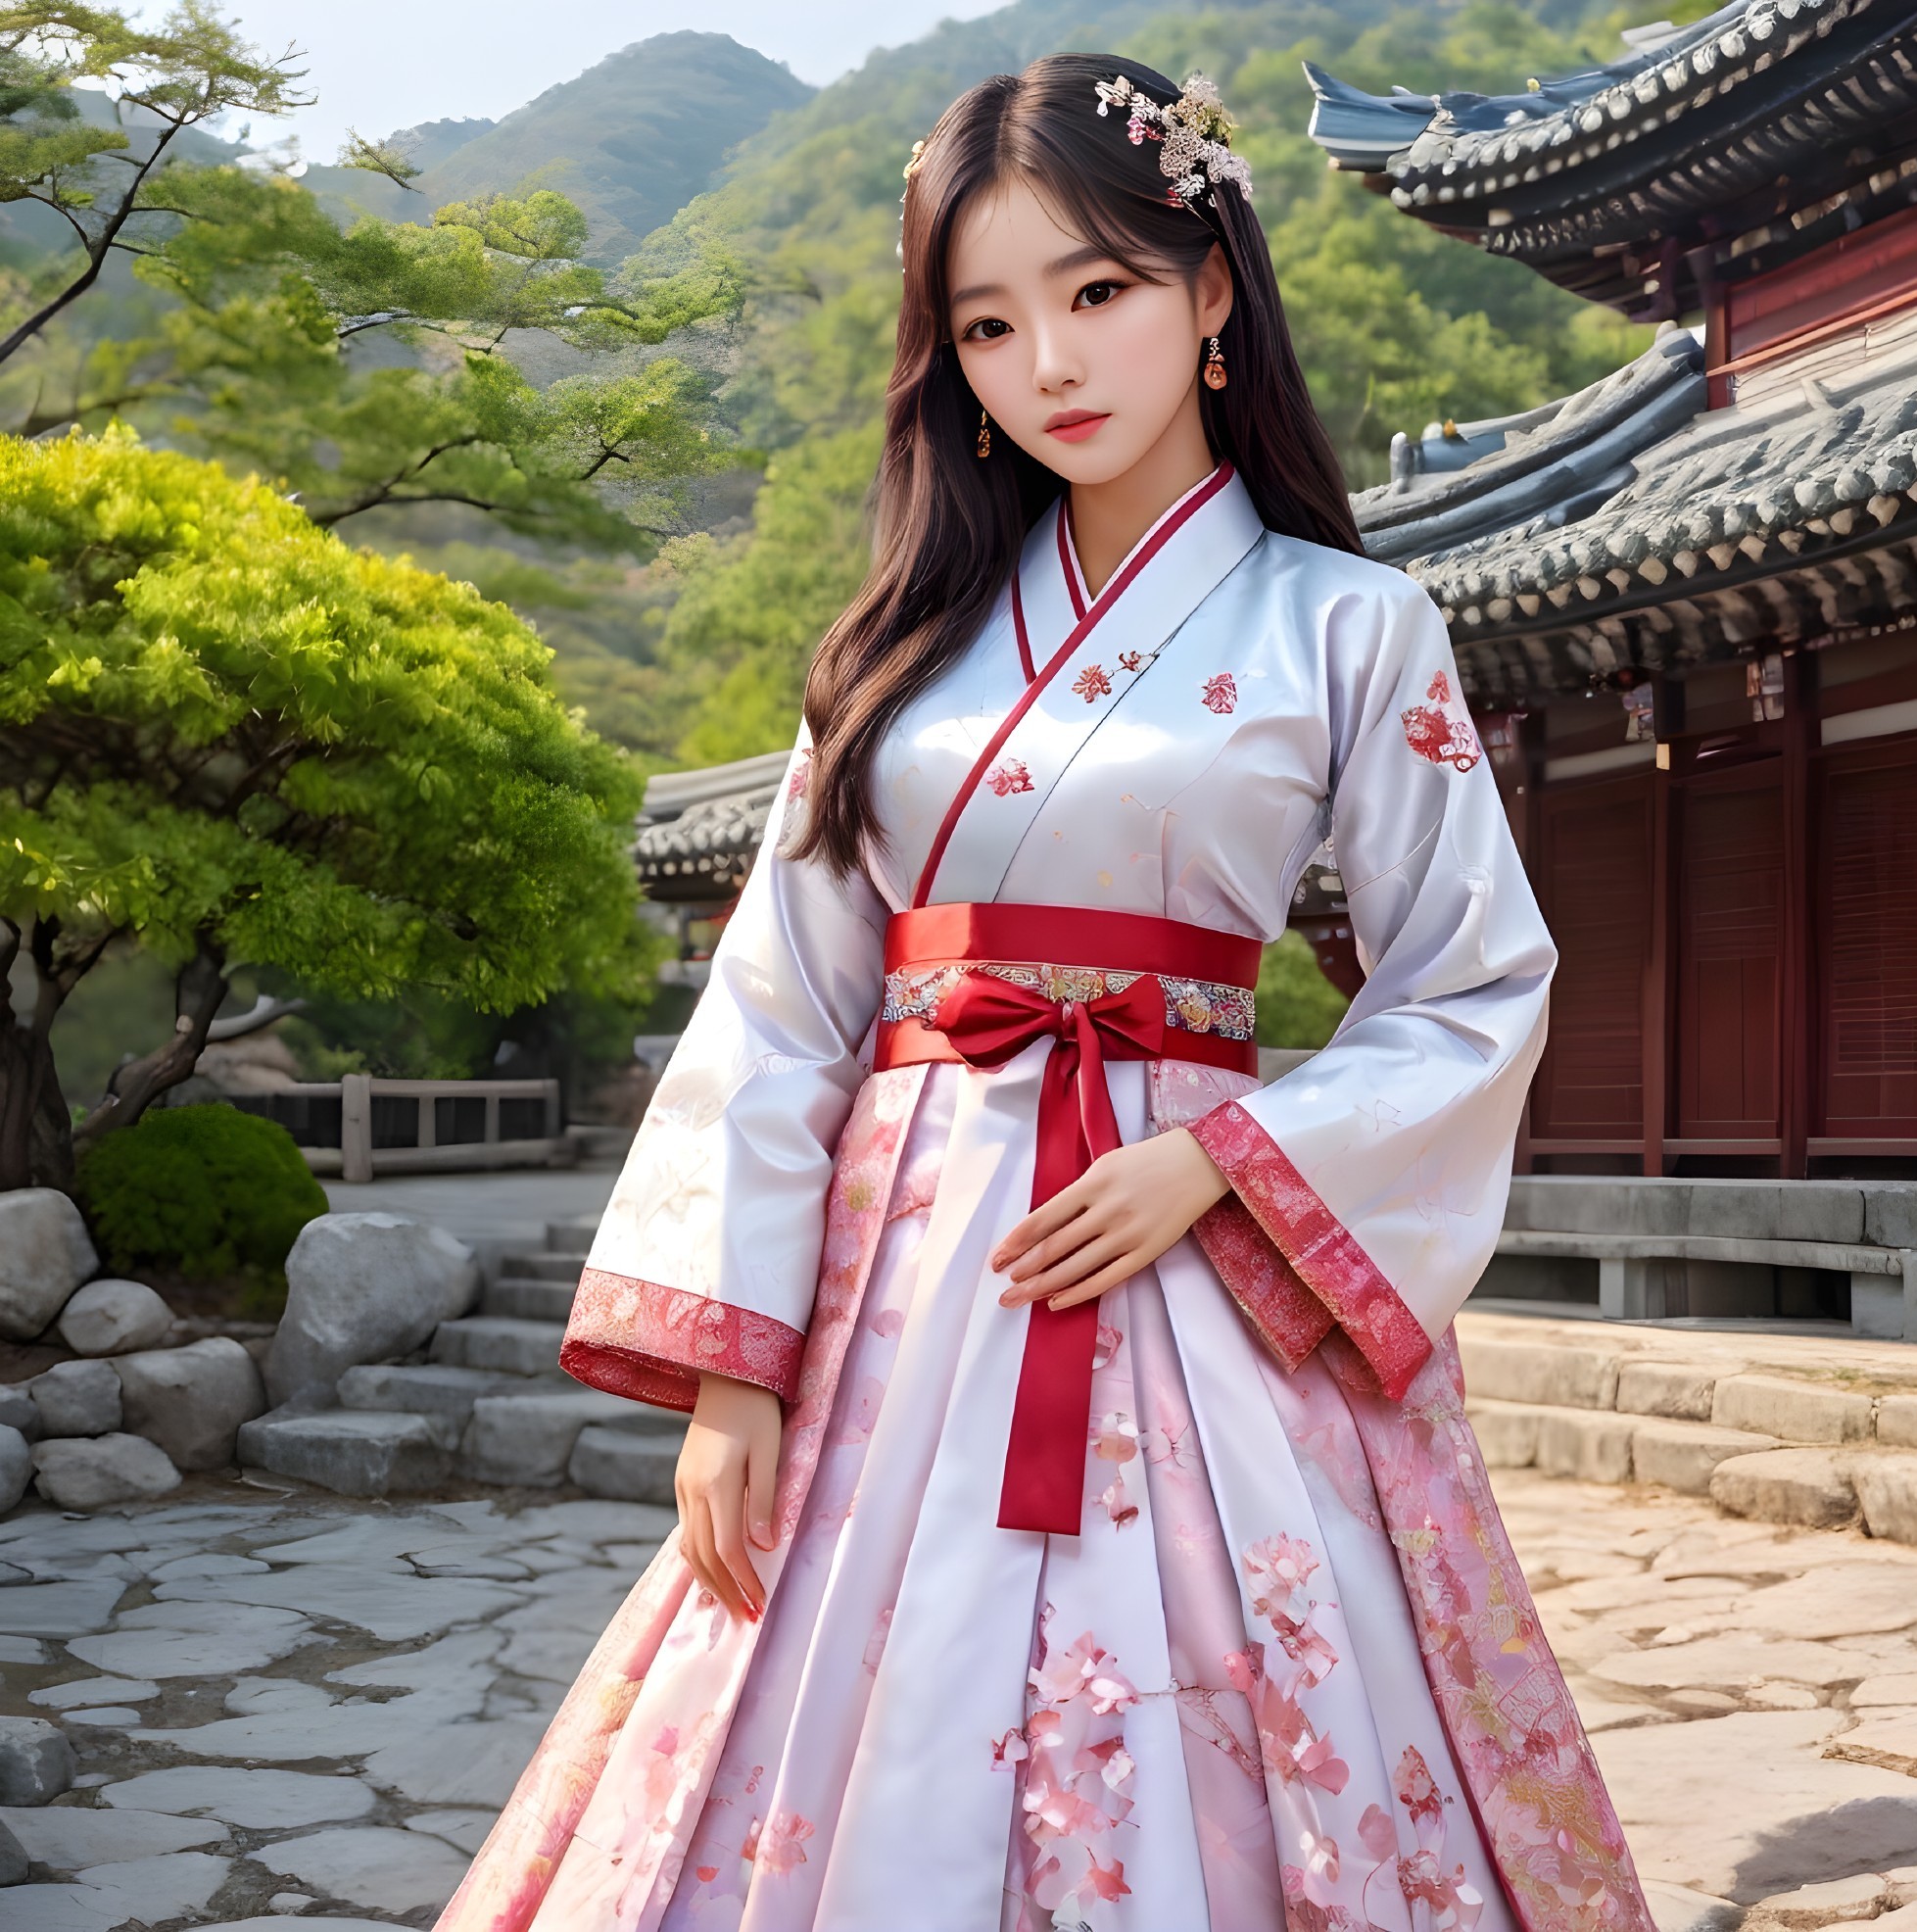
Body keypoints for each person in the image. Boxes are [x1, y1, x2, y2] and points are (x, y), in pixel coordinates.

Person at [434, 53, 1653, 1932]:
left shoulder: (1347, 625)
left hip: (1180, 1225)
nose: (1053, 364)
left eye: (1100, 293)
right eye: (991, 324)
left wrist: (1230, 1158)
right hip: (899, 1270)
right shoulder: (895, 656)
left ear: (1213, 293)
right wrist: (733, 1372)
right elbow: (780, 1007)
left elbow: (1473, 982)